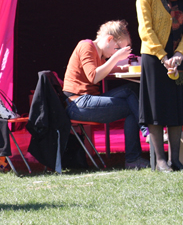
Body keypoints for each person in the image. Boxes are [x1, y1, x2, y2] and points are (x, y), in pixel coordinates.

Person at [136, 0, 183, 172]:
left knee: (179, 106)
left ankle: (176, 161)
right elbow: (146, 28)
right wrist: (163, 57)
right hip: (154, 59)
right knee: (156, 108)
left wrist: (179, 54)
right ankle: (160, 161)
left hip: (181, 59)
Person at [63, 20, 149, 169]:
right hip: (77, 104)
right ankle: (143, 138)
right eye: (117, 49)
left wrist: (125, 67)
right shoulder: (86, 46)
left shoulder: (99, 54)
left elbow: (104, 70)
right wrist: (116, 58)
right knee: (131, 101)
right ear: (109, 39)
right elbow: (94, 76)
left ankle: (137, 151)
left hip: (86, 101)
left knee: (131, 92)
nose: (115, 54)